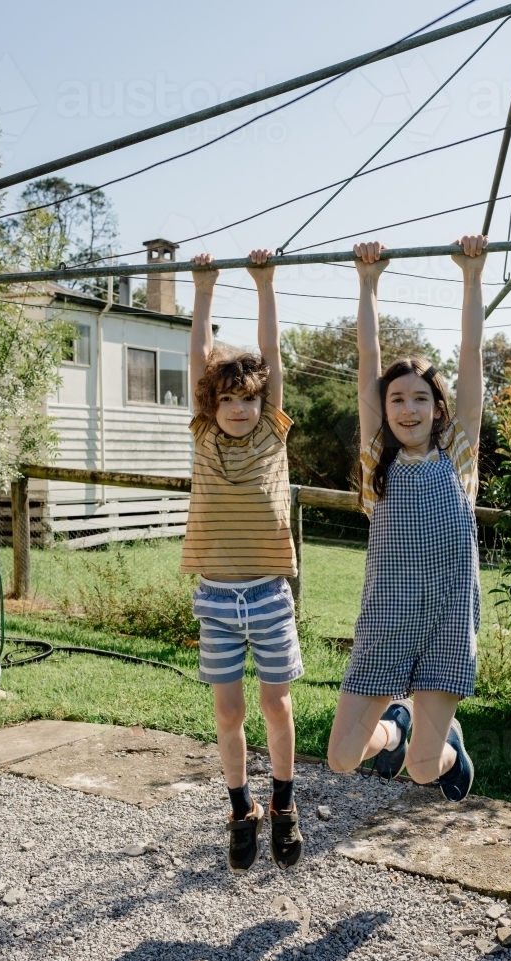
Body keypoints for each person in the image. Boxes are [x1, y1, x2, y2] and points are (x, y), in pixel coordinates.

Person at [327, 235, 488, 801]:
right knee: (343, 757)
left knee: (425, 770)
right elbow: (368, 363)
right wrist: (368, 283)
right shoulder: (378, 460)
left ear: (438, 408)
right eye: (397, 399)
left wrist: (472, 275)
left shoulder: (458, 458)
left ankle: (444, 745)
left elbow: (472, 359)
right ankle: (394, 728)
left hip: (447, 623)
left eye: (420, 398)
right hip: (386, 625)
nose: (407, 408)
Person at [182, 248, 304, 873]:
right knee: (227, 711)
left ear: (261, 404)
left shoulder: (269, 434)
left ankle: (283, 802)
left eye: (248, 400)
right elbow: (199, 354)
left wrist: (264, 284)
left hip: (266, 594)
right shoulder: (203, 433)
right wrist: (202, 291)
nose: (239, 410)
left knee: (275, 705)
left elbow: (271, 359)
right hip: (215, 598)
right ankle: (241, 807)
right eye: (227, 400)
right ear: (212, 404)